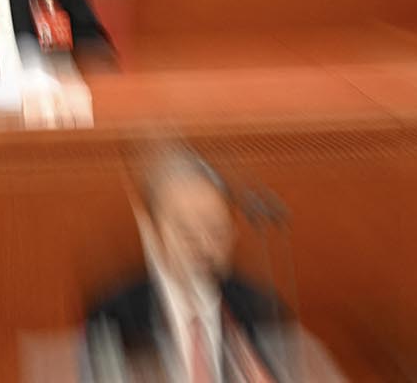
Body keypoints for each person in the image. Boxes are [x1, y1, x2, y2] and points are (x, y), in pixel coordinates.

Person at [84, 151, 288, 382]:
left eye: (217, 232)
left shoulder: (260, 308)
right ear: (154, 234)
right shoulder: (116, 314)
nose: (204, 246)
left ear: (234, 232)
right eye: (187, 233)